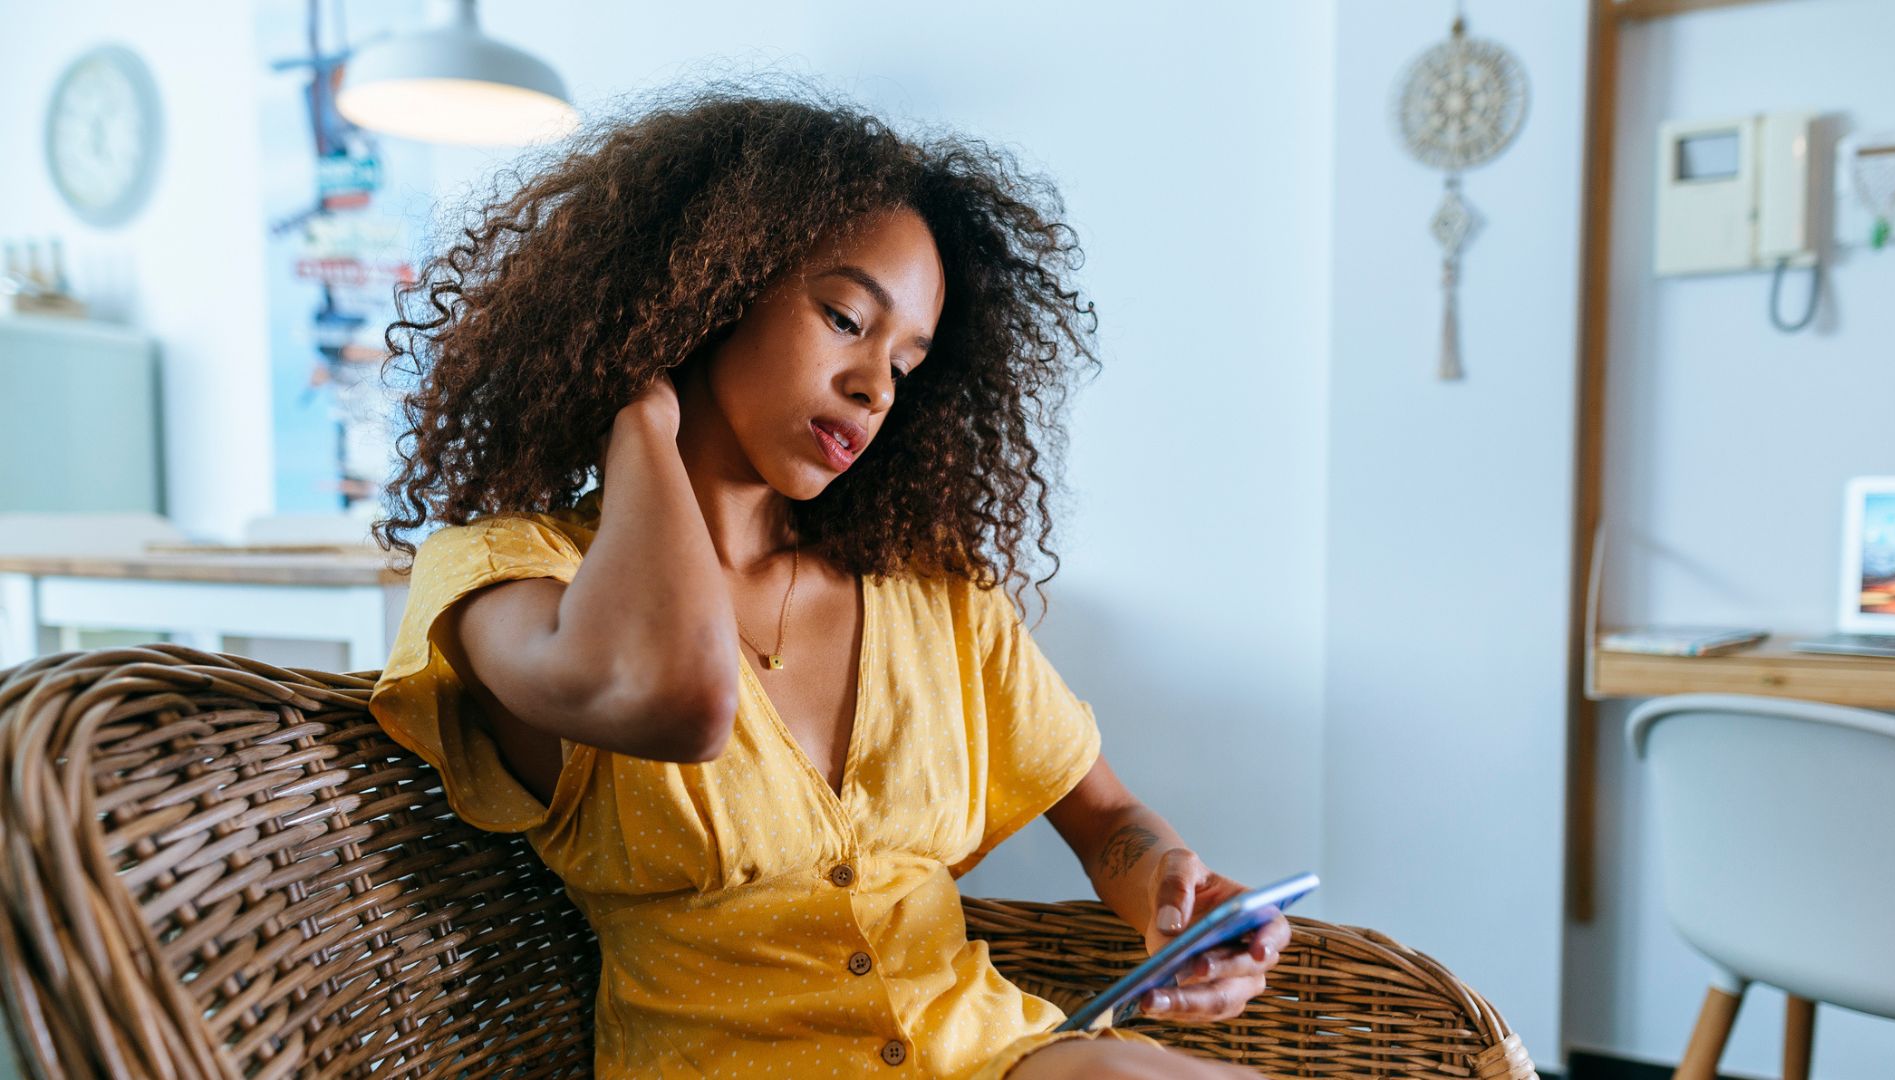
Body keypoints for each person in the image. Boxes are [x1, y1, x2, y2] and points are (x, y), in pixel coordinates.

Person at [369, 81, 1289, 1080]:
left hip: (998, 1059)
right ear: (710, 285)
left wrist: (1169, 888)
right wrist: (639, 416)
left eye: (909, 362)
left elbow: (1107, 817)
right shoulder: (506, 573)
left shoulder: (933, 592)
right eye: (848, 319)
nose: (875, 387)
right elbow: (675, 694)